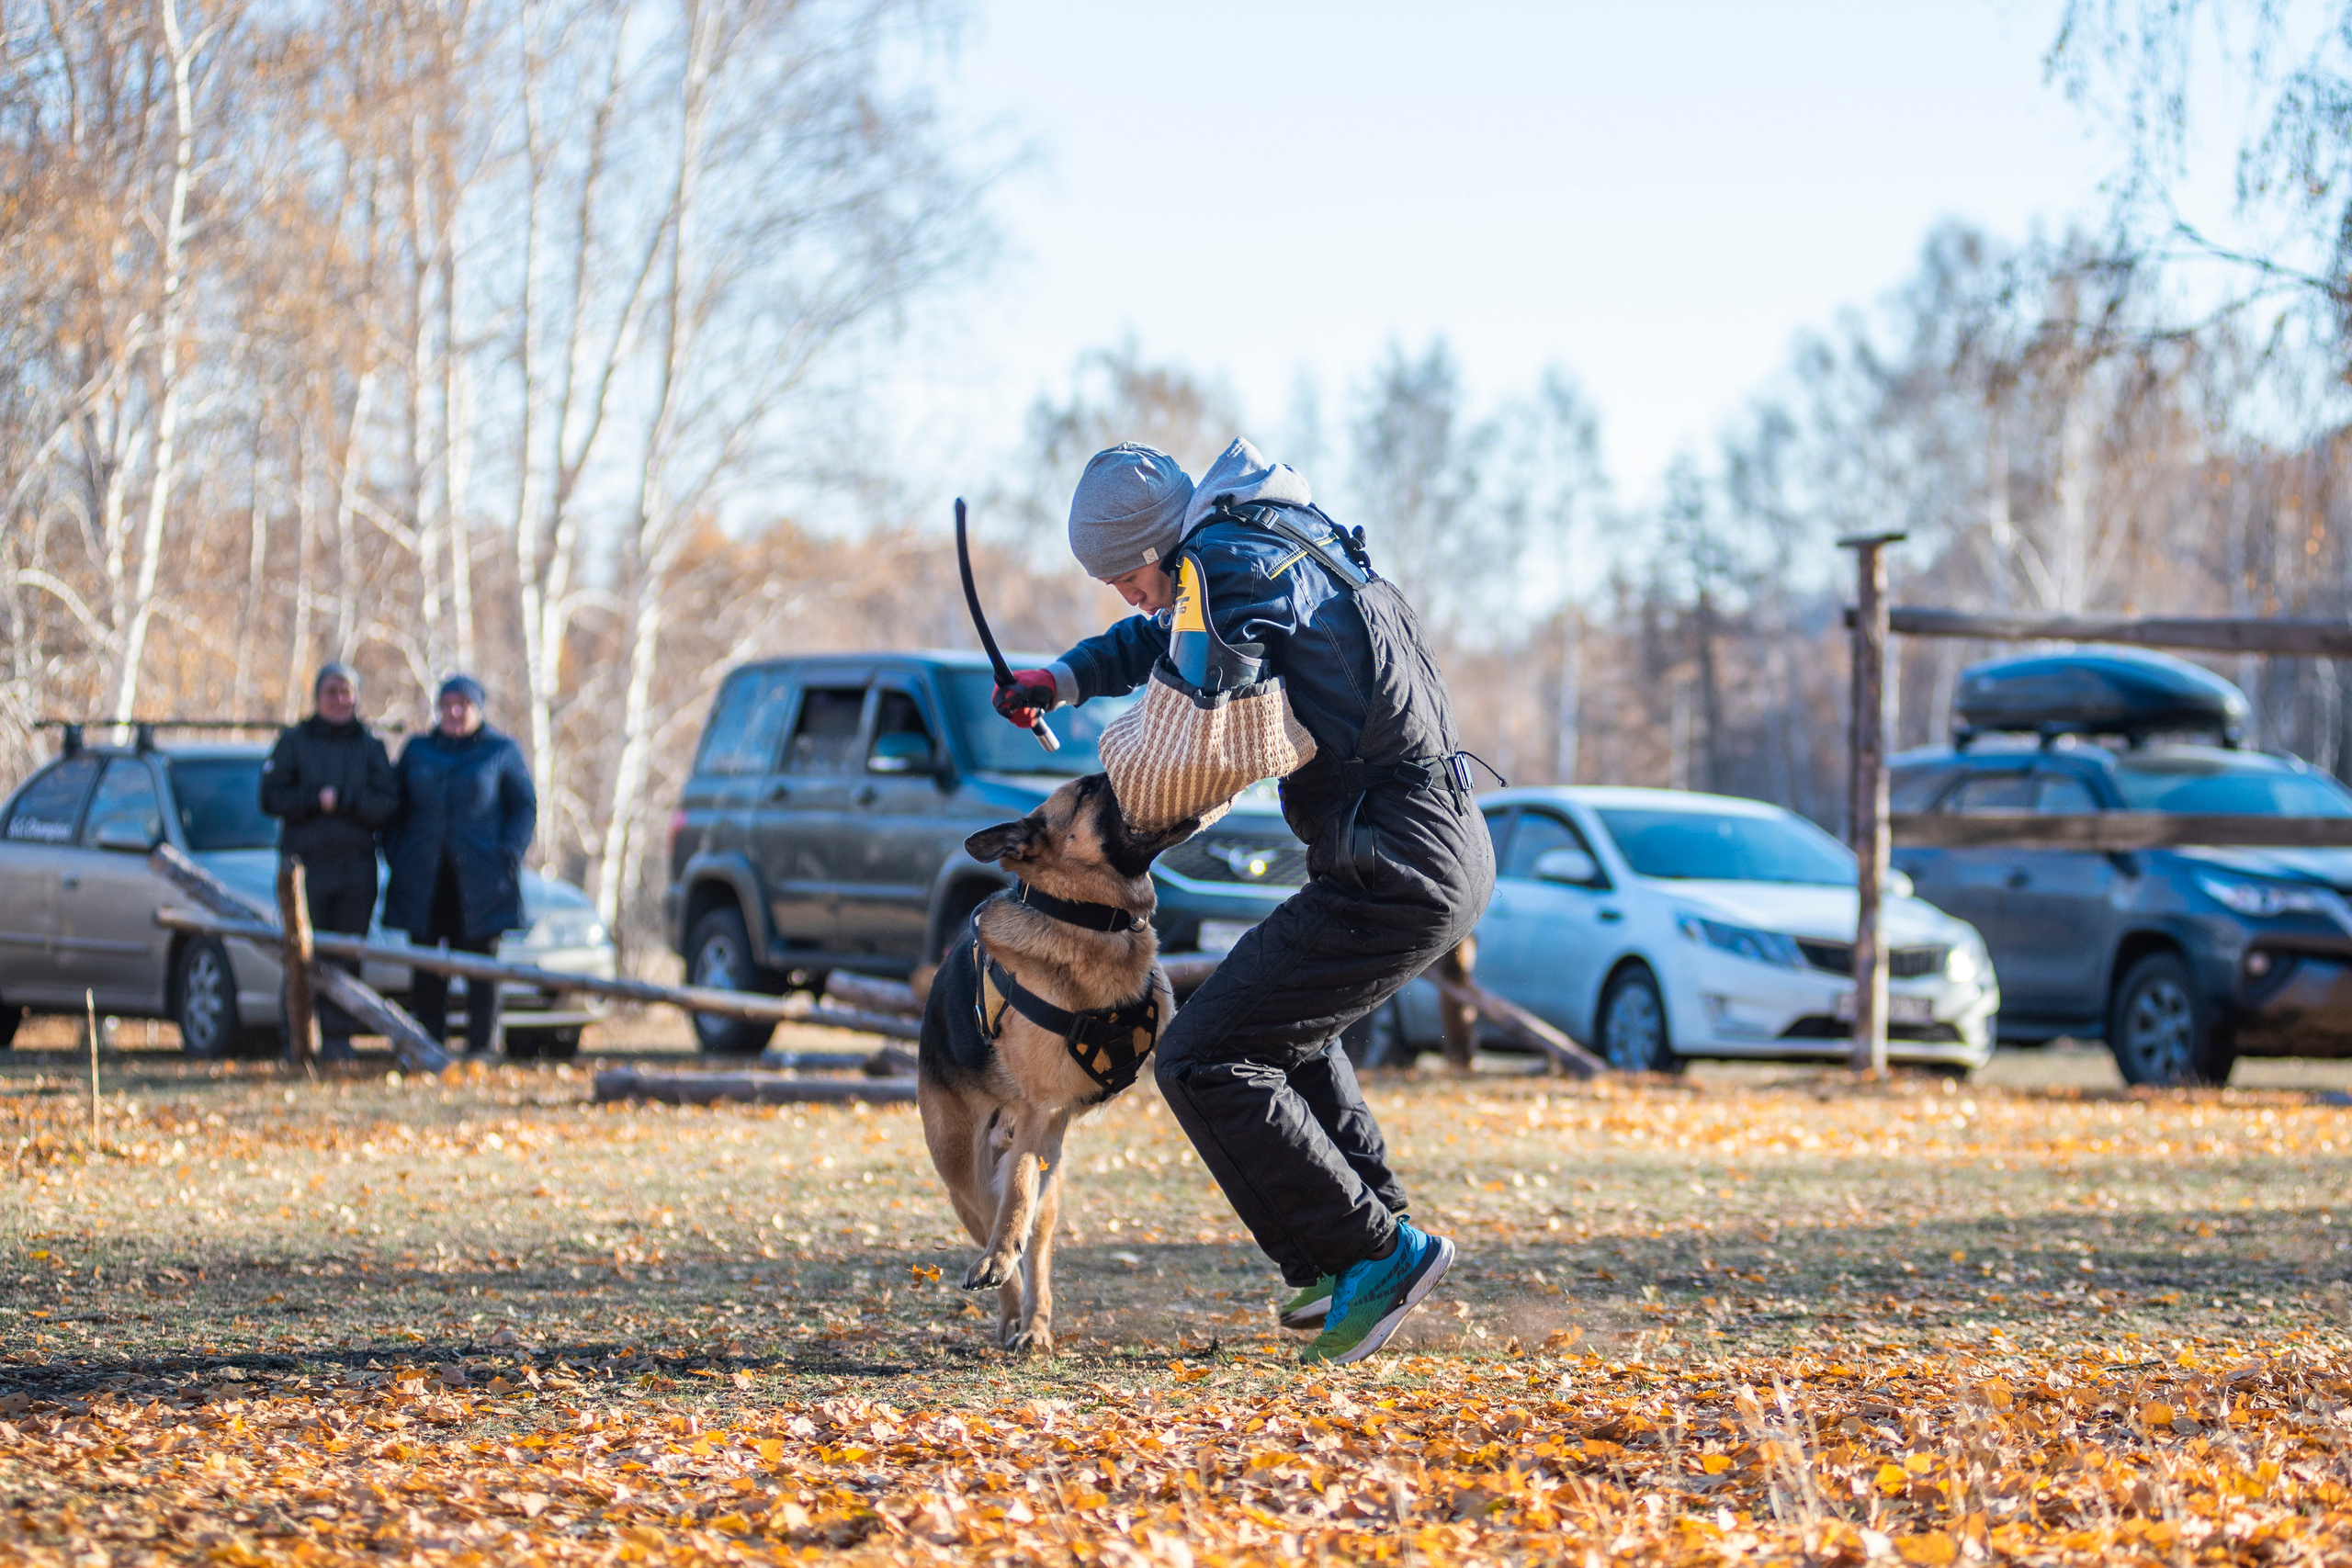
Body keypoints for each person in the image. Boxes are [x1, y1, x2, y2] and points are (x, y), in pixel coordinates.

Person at [993, 438, 1496, 1364]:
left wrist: (1126, 819)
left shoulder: (1232, 562)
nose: (1124, 596)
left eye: (1123, 575)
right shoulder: (1261, 543)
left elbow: (1194, 725)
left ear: (1156, 545)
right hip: (1415, 851)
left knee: (1201, 1057)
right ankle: (1358, 1249)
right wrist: (1060, 679)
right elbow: (1166, 635)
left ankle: (1371, 1254)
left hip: (1398, 862)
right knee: (1273, 1033)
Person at [383, 675, 538, 1055]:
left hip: (482, 882)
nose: (454, 711)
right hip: (425, 880)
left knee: (481, 970)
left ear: (478, 708)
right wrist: (397, 854)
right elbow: (393, 808)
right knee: (426, 968)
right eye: (447, 704)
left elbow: (524, 807)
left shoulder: (500, 751)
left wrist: (509, 852)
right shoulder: (418, 751)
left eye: (463, 704)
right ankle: (428, 1046)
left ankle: (481, 1048)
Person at [258, 662, 401, 1061]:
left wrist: (345, 801)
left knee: (348, 954)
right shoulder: (294, 742)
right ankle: (297, 1039)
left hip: (356, 869)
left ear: (356, 697)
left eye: (346, 692)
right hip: (304, 869)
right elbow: (270, 797)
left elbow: (388, 803)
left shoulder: (370, 748)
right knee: (300, 952)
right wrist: (314, 800)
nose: (340, 700)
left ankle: (340, 1040)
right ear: (318, 697)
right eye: (332, 692)